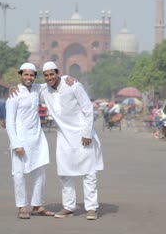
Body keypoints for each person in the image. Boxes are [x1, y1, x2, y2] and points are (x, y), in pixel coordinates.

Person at [40, 61, 103, 220]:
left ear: (57, 73)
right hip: (64, 136)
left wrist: (87, 133)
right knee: (64, 172)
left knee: (88, 172)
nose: (49, 78)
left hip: (82, 135)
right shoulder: (44, 91)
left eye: (52, 74)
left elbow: (88, 108)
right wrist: (16, 88)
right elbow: (29, 89)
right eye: (46, 75)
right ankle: (68, 207)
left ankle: (91, 208)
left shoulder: (73, 85)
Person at [5, 62, 55, 219]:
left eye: (31, 75)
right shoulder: (14, 95)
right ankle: (21, 207)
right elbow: (9, 123)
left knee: (40, 173)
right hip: (21, 140)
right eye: (25, 74)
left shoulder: (37, 90)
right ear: (20, 75)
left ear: (34, 77)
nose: (29, 77)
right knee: (19, 174)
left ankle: (37, 205)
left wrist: (69, 78)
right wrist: (16, 144)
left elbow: (53, 80)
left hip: (37, 139)